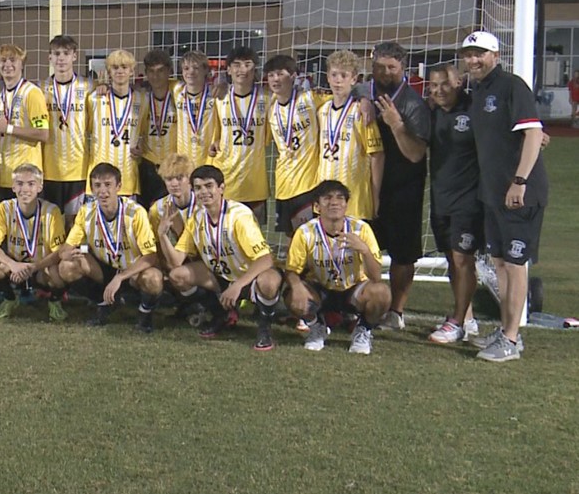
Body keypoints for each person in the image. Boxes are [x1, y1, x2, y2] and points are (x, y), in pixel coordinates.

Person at [462, 31, 549, 362]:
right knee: (499, 264)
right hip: (493, 195)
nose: (473, 59)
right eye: (469, 54)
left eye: (480, 53)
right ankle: (505, 330)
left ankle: (511, 340)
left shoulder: (511, 86)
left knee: (514, 266)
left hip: (519, 194)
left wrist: (520, 181)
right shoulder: (478, 92)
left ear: (495, 56)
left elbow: (533, 132)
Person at [161, 165, 283, 350]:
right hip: (221, 277)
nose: (204, 192)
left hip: (248, 278)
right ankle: (221, 314)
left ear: (221, 188)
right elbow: (175, 261)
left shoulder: (239, 215)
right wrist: (162, 235)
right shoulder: (197, 218)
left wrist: (238, 285)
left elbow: (266, 259)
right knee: (178, 276)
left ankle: (264, 329)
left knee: (269, 281)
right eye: (199, 188)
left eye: (209, 186)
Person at [366, 42, 431, 331]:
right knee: (364, 249)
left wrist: (396, 124)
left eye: (391, 67)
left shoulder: (413, 103)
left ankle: (396, 311)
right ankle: (364, 304)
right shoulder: (361, 95)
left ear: (403, 67)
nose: (385, 72)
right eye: (380, 66)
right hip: (365, 186)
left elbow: (416, 154)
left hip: (404, 187)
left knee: (403, 254)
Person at [285, 180, 390, 354]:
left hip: (353, 290)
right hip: (322, 290)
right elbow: (291, 271)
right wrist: (296, 286)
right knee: (292, 295)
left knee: (382, 293)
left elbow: (376, 277)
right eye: (327, 198)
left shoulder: (361, 229)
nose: (334, 203)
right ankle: (316, 326)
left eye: (340, 198)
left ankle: (363, 329)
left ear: (346, 205)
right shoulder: (305, 232)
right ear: (317, 206)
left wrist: (364, 250)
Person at [58, 163, 162, 333]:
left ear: (119, 186)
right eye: (97, 186)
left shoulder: (135, 212)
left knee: (154, 278)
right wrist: (72, 252)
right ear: (91, 189)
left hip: (132, 271)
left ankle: (145, 314)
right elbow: (66, 248)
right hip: (104, 267)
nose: (103, 191)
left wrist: (120, 277)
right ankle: (104, 303)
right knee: (67, 266)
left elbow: (150, 257)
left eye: (108, 185)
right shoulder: (86, 212)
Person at [425, 64, 483, 343]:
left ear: (459, 82)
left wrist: (535, 134)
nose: (439, 90)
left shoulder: (475, 109)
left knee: (463, 259)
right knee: (452, 259)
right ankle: (467, 318)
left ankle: (457, 322)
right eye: (433, 85)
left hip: (468, 199)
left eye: (444, 84)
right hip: (440, 200)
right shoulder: (432, 113)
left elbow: (503, 130)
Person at [0, 164, 67, 321]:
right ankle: (10, 298)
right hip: (15, 266)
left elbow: (59, 252)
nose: (25, 189)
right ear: (13, 187)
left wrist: (35, 267)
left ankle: (54, 301)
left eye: (31, 184)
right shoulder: (5, 208)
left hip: (41, 266)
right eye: (20, 184)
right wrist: (12, 264)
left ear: (40, 187)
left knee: (59, 272)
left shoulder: (52, 211)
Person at [318, 50, 383, 221]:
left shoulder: (362, 112)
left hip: (355, 201)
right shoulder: (322, 110)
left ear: (354, 79)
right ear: (328, 77)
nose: (338, 80)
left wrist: (376, 196)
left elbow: (377, 155)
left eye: (344, 75)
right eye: (334, 75)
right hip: (325, 198)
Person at [264, 54, 323, 238]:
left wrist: (362, 99)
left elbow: (342, 97)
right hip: (283, 183)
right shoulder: (269, 105)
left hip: (308, 183)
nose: (275, 79)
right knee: (291, 241)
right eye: (271, 75)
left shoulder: (310, 99)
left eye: (280, 73)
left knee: (310, 238)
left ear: (293, 76)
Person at [0, 44, 49, 217]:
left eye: (12, 60)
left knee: (26, 229)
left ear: (22, 63)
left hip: (25, 179)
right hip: (1, 176)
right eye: (3, 60)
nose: (7, 65)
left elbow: (43, 134)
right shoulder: (1, 96)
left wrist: (8, 128)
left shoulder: (32, 93)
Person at [210, 47, 269, 226]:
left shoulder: (268, 98)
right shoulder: (218, 99)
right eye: (236, 65)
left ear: (255, 68)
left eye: (247, 64)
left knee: (255, 241)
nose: (242, 69)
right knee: (225, 237)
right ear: (228, 70)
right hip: (227, 182)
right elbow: (214, 138)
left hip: (255, 185)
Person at [42, 35, 92, 224]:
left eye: (66, 53)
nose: (61, 58)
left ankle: (74, 255)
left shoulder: (89, 87)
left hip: (77, 167)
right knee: (50, 223)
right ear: (50, 58)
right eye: (56, 54)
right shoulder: (41, 88)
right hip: (49, 168)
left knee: (75, 223)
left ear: (75, 56)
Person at [85, 50, 148, 199]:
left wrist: (141, 150)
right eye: (115, 67)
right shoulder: (95, 98)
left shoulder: (142, 100)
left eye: (124, 67)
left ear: (132, 71)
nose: (120, 71)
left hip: (128, 180)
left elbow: (145, 134)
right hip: (98, 180)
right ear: (108, 71)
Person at [149, 154, 201, 317]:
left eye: (179, 178)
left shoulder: (203, 205)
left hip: (207, 258)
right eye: (169, 179)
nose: (174, 184)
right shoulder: (158, 209)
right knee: (172, 269)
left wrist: (180, 230)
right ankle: (188, 303)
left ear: (190, 180)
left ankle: (211, 304)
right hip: (180, 259)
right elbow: (155, 244)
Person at [138, 50, 178, 208]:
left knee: (172, 212)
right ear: (146, 73)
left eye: (161, 70)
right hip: (148, 165)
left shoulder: (180, 93)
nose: (156, 76)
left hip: (173, 164)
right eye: (151, 71)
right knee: (148, 212)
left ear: (169, 71)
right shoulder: (140, 97)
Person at [173, 50, 218, 171]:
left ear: (205, 70)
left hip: (210, 157)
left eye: (196, 68)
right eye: (186, 68)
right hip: (184, 160)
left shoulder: (215, 94)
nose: (190, 72)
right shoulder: (176, 90)